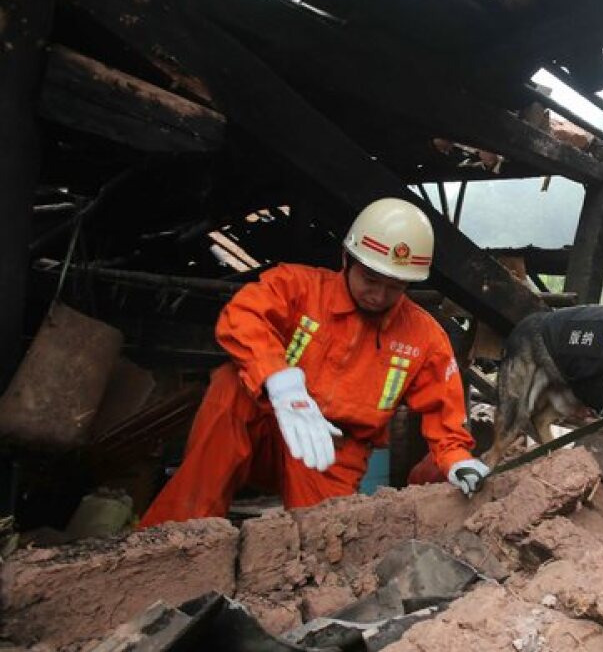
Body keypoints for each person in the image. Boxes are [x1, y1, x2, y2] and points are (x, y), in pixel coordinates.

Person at [139, 198, 489, 528]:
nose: (379, 295)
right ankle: (181, 535)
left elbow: (445, 413)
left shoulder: (423, 336)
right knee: (232, 385)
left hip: (333, 452)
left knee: (323, 541)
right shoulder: (298, 287)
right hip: (267, 422)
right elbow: (242, 316)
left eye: (394, 287)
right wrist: (281, 383)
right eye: (370, 280)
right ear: (346, 260)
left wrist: (457, 459)